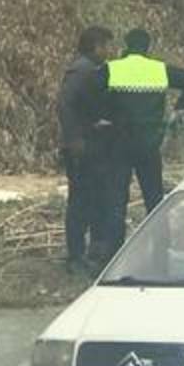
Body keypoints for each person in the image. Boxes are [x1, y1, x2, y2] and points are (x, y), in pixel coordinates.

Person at [86, 28, 184, 257]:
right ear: (148, 47)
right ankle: (160, 254)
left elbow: (86, 93)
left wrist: (100, 115)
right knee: (154, 200)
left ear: (126, 45)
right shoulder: (160, 70)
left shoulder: (112, 69)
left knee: (116, 202)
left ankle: (113, 257)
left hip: (118, 143)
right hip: (149, 145)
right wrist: (179, 106)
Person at [57, 26, 117, 274]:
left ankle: (93, 251)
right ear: (95, 46)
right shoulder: (81, 71)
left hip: (91, 144)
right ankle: (75, 256)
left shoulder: (91, 70)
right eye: (105, 46)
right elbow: (65, 104)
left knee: (95, 198)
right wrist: (75, 139)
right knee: (80, 200)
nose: (108, 51)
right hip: (81, 147)